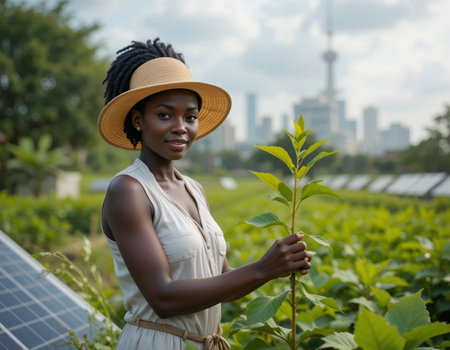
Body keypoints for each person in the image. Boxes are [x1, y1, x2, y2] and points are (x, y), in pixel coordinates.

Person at [98, 38, 313, 350]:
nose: (181, 127)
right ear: (137, 120)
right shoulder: (129, 191)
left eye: (190, 116)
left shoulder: (194, 189)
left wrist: (278, 265)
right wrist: (262, 268)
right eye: (164, 115)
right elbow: (163, 298)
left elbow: (222, 283)